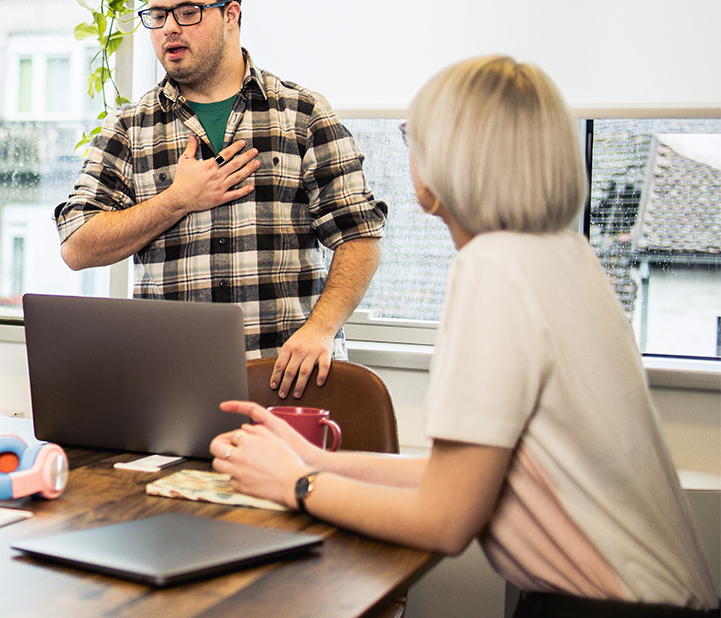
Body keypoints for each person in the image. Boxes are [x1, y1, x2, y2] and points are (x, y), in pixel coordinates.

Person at [211, 56, 719, 617]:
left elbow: (445, 520)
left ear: (449, 158)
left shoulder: (492, 268)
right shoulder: (566, 257)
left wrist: (298, 484)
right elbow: (459, 476)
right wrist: (317, 461)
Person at [54, 0, 387, 398]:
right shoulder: (130, 128)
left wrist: (321, 329)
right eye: (158, 15)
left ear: (231, 14)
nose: (170, 28)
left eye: (188, 12)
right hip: (173, 391)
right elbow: (76, 246)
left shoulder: (302, 114)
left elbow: (360, 236)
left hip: (289, 383)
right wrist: (176, 201)